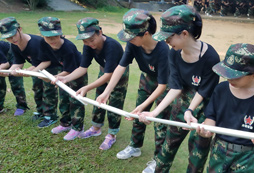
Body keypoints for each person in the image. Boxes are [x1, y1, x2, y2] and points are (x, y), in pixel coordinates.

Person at [139, 5, 220, 172]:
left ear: (184, 34)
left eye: (169, 37)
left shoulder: (211, 57)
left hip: (205, 107)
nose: (166, 42)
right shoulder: (174, 53)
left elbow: (204, 90)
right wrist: (154, 113)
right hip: (182, 101)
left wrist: (190, 110)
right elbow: (175, 86)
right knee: (170, 142)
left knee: (197, 152)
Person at [96, 8, 171, 173]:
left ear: (145, 34)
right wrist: (107, 92)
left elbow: (163, 85)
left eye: (131, 36)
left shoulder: (163, 51)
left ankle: (158, 160)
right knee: (138, 117)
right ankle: (135, 146)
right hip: (147, 79)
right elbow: (120, 67)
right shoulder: (133, 44)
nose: (128, 40)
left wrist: (144, 106)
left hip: (165, 85)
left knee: (159, 122)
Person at [56, 17, 129, 148]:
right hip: (104, 71)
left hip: (119, 75)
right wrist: (66, 78)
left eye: (92, 39)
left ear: (100, 32)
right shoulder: (88, 46)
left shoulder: (112, 46)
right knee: (98, 100)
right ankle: (96, 128)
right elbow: (82, 68)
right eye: (85, 41)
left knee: (114, 104)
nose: (89, 43)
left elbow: (110, 74)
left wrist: (87, 87)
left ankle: (111, 135)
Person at [196, 43, 254, 172]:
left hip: (248, 157)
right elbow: (211, 116)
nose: (228, 78)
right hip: (219, 151)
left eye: (235, 75)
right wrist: (208, 130)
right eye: (226, 73)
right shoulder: (221, 89)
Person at [37, 17, 87, 140]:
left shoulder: (68, 47)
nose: (52, 40)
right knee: (63, 98)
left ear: (60, 33)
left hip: (77, 73)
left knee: (76, 100)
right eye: (48, 37)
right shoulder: (43, 43)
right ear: (42, 35)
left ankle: (77, 127)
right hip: (63, 73)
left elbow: (70, 70)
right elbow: (46, 60)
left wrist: (57, 77)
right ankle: (65, 123)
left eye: (55, 36)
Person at [0, 17, 57, 124]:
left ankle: (50, 116)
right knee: (37, 88)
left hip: (52, 66)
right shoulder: (15, 45)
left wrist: (32, 70)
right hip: (38, 67)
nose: (12, 39)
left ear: (19, 29)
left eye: (14, 35)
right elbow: (18, 62)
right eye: (8, 38)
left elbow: (47, 61)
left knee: (48, 91)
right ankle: (40, 112)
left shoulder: (35, 43)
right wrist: (11, 71)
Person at [0, 40, 28, 115]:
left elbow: (5, 64)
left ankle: (21, 106)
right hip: (2, 59)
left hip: (11, 55)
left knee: (15, 82)